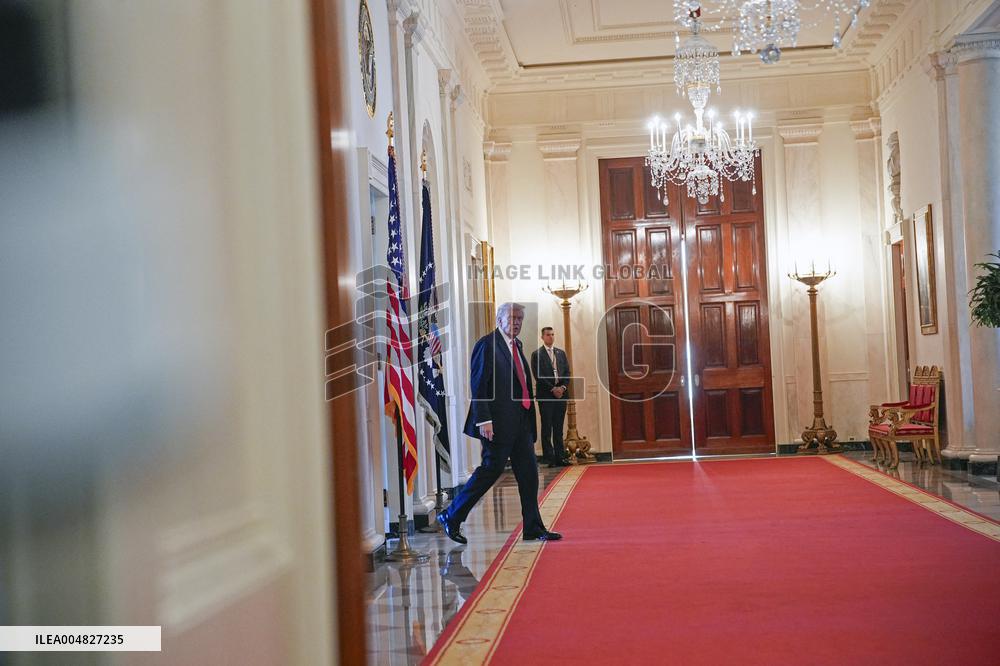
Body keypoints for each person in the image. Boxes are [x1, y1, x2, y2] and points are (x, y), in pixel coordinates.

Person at [437, 302, 562, 544]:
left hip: (522, 422)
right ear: (499, 319)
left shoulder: (517, 345)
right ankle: (452, 516)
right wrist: (484, 419)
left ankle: (533, 527)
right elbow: (479, 384)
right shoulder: (487, 345)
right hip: (498, 423)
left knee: (528, 474)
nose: (516, 322)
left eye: (519, 319)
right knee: (489, 471)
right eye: (511, 318)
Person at [531, 327, 572, 467]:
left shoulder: (560, 353)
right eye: (548, 335)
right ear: (542, 337)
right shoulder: (537, 354)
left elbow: (567, 372)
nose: (551, 337)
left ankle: (561, 457)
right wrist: (552, 388)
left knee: (558, 427)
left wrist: (562, 388)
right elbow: (538, 375)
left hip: (561, 395)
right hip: (546, 395)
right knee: (547, 427)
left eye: (553, 334)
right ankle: (550, 458)